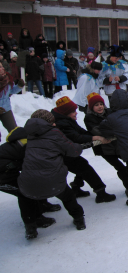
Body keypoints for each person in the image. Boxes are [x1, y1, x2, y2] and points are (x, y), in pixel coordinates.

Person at [18, 110, 86, 239]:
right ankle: (79, 219)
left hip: (29, 182)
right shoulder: (55, 133)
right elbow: (72, 150)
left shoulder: (26, 135)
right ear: (50, 123)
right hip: (53, 181)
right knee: (67, 196)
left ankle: (30, 227)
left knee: (25, 197)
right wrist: (79, 146)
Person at [0, 126, 62, 240]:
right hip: (3, 175)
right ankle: (32, 224)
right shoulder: (29, 144)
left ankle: (42, 205)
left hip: (9, 170)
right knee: (25, 193)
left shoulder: (27, 139)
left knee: (36, 182)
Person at [51, 96, 116, 202]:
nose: (76, 113)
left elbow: (79, 131)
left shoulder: (65, 118)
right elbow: (76, 137)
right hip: (60, 154)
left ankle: (76, 187)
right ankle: (101, 193)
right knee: (84, 168)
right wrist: (96, 137)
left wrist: (95, 136)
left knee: (80, 166)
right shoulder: (60, 123)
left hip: (66, 151)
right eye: (73, 111)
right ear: (66, 112)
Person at [84, 92, 128, 195]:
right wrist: (117, 131)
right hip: (105, 149)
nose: (100, 107)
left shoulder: (110, 112)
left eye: (101, 104)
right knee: (121, 168)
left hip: (118, 145)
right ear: (91, 107)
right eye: (96, 105)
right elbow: (97, 131)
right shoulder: (89, 118)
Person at [0, 63, 24, 133]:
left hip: (6, 109)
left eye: (1, 66)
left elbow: (11, 90)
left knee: (14, 131)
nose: (1, 69)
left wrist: (19, 86)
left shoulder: (7, 78)